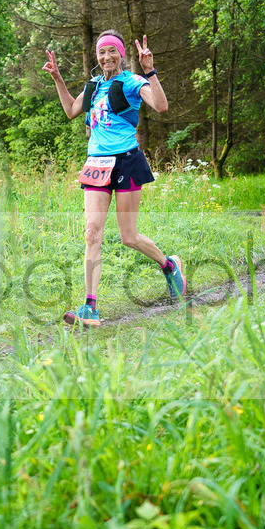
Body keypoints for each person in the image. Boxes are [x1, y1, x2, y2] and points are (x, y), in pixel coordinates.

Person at [43, 31, 186, 328]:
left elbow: (160, 106)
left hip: (127, 161)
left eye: (112, 51)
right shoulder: (94, 85)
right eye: (101, 52)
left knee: (128, 237)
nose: (106, 57)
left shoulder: (133, 82)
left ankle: (169, 265)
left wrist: (150, 71)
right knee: (92, 233)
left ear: (121, 54)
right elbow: (72, 110)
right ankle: (90, 307)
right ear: (97, 56)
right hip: (96, 163)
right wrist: (58, 78)